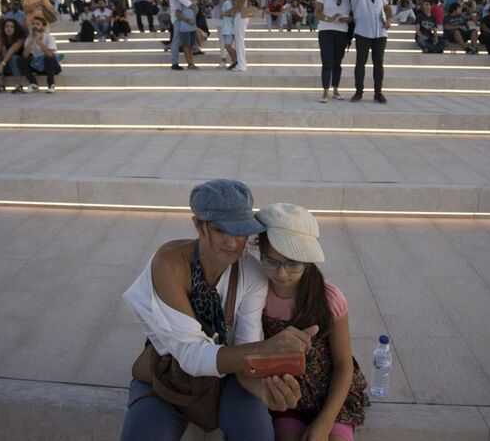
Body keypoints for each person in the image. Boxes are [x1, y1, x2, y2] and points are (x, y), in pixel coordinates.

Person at [119, 179, 315, 441]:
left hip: (232, 373)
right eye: (222, 229)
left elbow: (247, 350)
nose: (233, 243)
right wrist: (268, 348)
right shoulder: (171, 263)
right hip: (170, 372)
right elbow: (189, 355)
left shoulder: (251, 274)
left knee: (256, 433)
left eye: (241, 231)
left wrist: (264, 391)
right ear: (198, 225)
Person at [255, 203, 369, 441]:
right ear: (259, 251)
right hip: (287, 400)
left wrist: (325, 422)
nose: (282, 274)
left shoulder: (329, 299)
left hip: (331, 399)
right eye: (272, 261)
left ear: (308, 261)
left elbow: (343, 364)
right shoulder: (254, 296)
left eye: (292, 263)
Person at [349, 0, 391, 104]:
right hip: (363, 31)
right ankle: (358, 92)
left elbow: (386, 6)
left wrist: (389, 19)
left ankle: (378, 92)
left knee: (378, 63)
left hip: (380, 31)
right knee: (360, 62)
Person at [315, 0, 352, 103]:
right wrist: (328, 18)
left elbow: (354, 16)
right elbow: (317, 12)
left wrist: (349, 19)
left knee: (338, 62)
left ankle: (336, 90)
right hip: (326, 31)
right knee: (327, 62)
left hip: (342, 32)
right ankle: (325, 92)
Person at [0, 17, 26, 92]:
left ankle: (19, 85)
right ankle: (0, 85)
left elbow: (11, 51)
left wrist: (2, 64)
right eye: (6, 26)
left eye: (11, 27)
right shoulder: (2, 38)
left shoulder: (20, 38)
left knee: (13, 58)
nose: (9, 29)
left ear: (15, 28)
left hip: (20, 64)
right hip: (7, 63)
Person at [22, 15, 60, 93]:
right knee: (22, 60)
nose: (35, 26)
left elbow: (49, 54)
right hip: (38, 66)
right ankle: (33, 84)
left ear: (43, 27)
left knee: (48, 57)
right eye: (33, 24)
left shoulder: (50, 38)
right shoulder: (29, 38)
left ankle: (51, 84)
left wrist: (38, 41)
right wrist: (31, 41)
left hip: (52, 67)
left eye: (37, 24)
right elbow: (25, 55)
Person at [229, 0, 251, 71]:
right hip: (238, 14)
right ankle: (241, 63)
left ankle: (242, 64)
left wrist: (232, 9)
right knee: (238, 40)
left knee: (239, 40)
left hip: (241, 14)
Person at [174, 0, 199, 69]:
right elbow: (177, 13)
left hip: (193, 27)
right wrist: (187, 20)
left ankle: (191, 62)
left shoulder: (193, 1)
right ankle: (189, 63)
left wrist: (194, 18)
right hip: (185, 27)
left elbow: (196, 11)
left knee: (191, 45)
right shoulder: (181, 1)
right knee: (186, 45)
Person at [217, 0, 239, 70]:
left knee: (227, 46)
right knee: (227, 45)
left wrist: (223, 14)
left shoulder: (226, 3)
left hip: (228, 28)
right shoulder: (227, 3)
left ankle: (235, 60)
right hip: (228, 28)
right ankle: (235, 60)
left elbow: (230, 13)